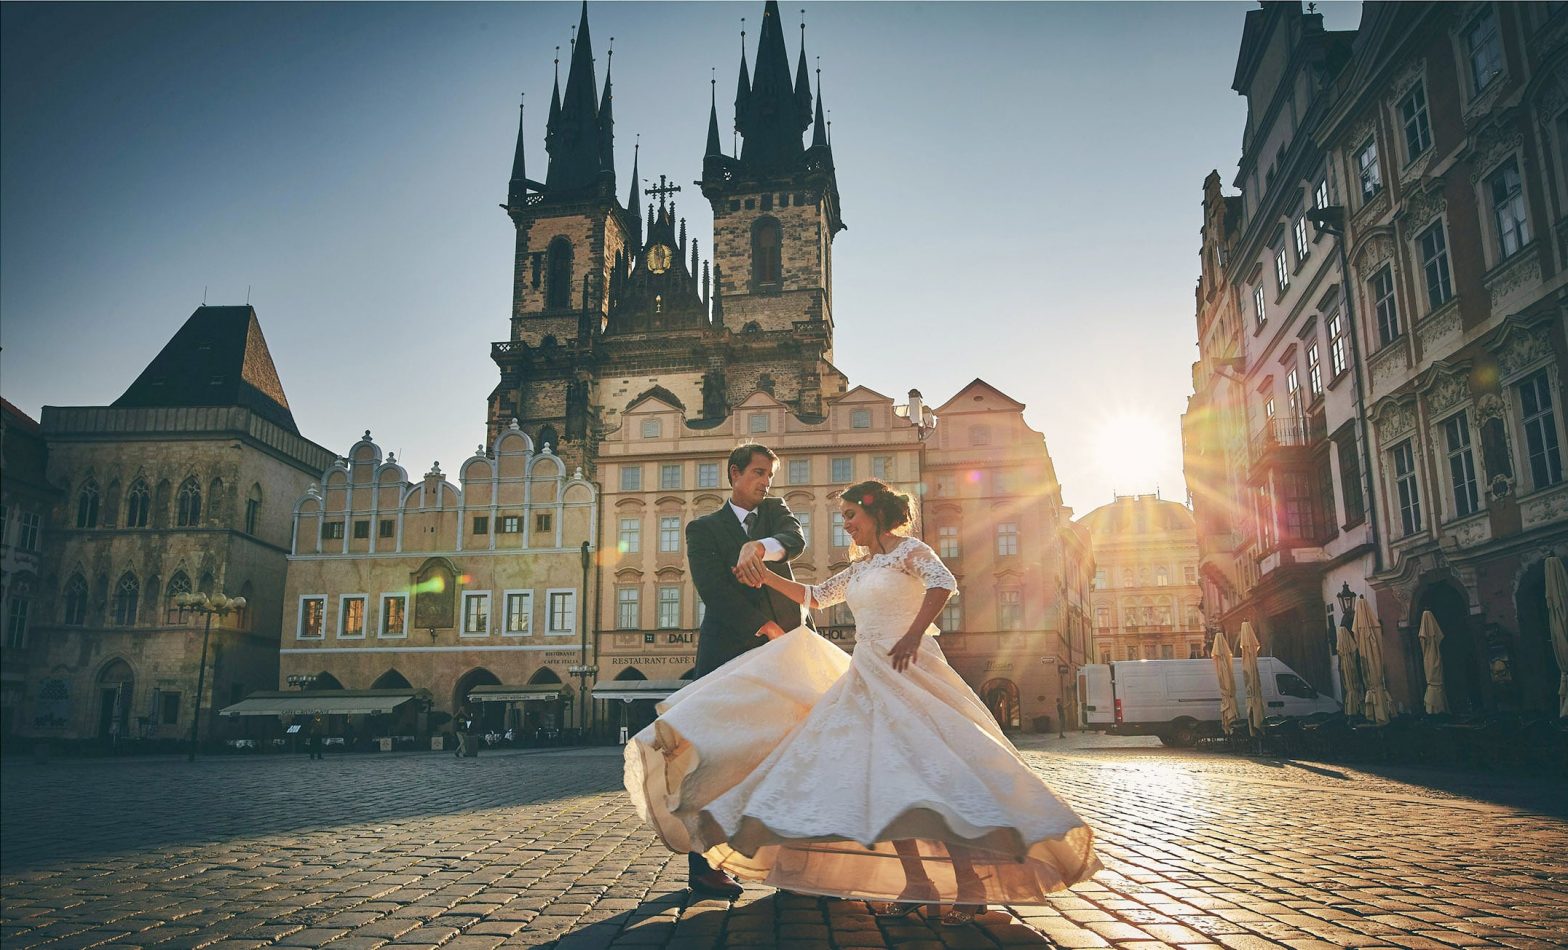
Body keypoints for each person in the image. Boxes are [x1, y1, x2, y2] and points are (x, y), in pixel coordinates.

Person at [626, 479, 1100, 924]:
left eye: (850, 515)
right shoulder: (861, 567)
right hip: (868, 673)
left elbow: (943, 584)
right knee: (887, 779)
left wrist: (914, 635)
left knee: (939, 773)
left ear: (875, 512)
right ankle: (919, 884)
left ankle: (970, 884)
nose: (846, 524)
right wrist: (765, 578)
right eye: (844, 517)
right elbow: (813, 596)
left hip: (909, 669)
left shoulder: (911, 552)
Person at [676, 443, 806, 899]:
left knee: (788, 751)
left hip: (786, 649)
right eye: (757, 473)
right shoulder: (703, 528)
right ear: (733, 474)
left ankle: (790, 863)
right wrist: (761, 625)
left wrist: (760, 546)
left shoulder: (775, 512)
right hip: (729, 648)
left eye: (769, 474)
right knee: (718, 757)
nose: (765, 481)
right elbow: (713, 589)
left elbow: (796, 540)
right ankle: (704, 866)